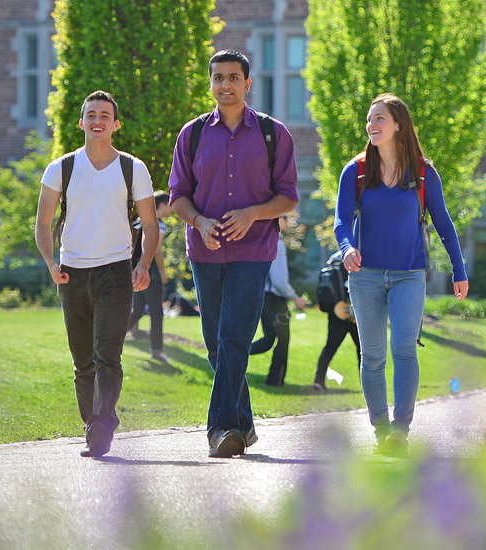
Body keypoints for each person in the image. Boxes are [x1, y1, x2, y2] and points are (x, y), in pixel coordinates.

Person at [168, 50, 298, 458]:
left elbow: (289, 198)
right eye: (218, 78)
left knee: (234, 336)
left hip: (254, 250)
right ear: (211, 83)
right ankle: (243, 422)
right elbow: (177, 197)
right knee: (215, 341)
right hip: (204, 251)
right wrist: (200, 222)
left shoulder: (273, 134)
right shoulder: (191, 135)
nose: (225, 84)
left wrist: (252, 214)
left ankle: (220, 429)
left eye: (233, 77)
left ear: (247, 84)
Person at [333, 94, 469, 455]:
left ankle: (400, 432)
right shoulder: (357, 171)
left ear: (398, 125)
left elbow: (443, 223)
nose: (372, 125)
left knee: (404, 348)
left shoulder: (423, 172)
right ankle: (380, 431)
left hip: (409, 274)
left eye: (380, 118)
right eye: (369, 119)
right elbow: (341, 221)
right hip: (365, 277)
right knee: (373, 354)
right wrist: (347, 248)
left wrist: (459, 268)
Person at [34, 90, 158, 458]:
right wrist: (50, 263)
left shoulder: (132, 168)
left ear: (115, 125)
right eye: (91, 115)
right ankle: (94, 426)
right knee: (82, 360)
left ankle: (101, 426)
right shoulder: (61, 168)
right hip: (72, 274)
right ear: (82, 122)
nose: (97, 121)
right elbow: (42, 224)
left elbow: (150, 225)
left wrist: (144, 263)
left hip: (116, 273)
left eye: (105, 115)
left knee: (108, 356)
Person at [249, 215, 309, 387]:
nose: (288, 221)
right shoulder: (277, 243)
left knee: (269, 339)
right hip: (275, 299)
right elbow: (279, 280)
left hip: (263, 297)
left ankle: (232, 354)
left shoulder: (262, 241)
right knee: (283, 340)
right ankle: (275, 381)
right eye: (285, 217)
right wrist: (295, 298)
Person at [129, 191, 172, 362]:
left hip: (134, 270)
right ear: (162, 205)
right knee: (156, 312)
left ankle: (111, 335)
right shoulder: (158, 224)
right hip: (149, 272)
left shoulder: (139, 221)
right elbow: (157, 250)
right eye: (170, 204)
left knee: (138, 309)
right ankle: (157, 350)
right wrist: (162, 272)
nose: (172, 209)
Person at [313, 250, 359, 392]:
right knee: (363, 350)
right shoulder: (356, 255)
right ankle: (369, 385)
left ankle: (318, 380)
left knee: (330, 347)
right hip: (354, 312)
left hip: (336, 310)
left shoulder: (334, 257)